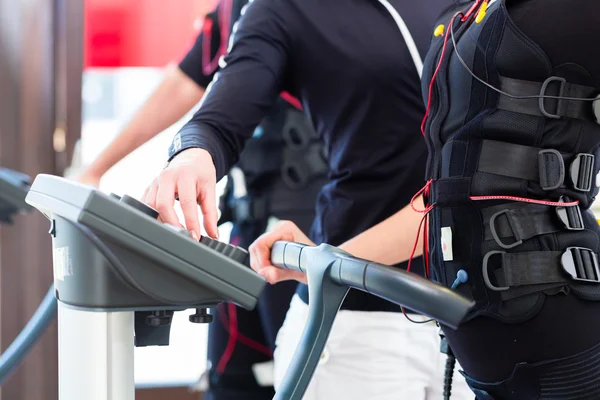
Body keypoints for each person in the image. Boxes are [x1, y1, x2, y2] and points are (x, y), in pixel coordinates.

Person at [251, 0, 600, 399]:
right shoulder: (461, 16)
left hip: (559, 323)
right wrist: (331, 258)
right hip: (478, 341)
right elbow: (450, 196)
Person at [142, 0, 473, 398]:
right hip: (358, 329)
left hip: (485, 322)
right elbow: (222, 112)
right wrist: (192, 153)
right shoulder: (284, 9)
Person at [77, 2, 327, 399]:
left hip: (303, 229)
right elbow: (186, 82)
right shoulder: (232, 10)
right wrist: (96, 168)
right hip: (245, 224)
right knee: (232, 381)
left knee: (304, 381)